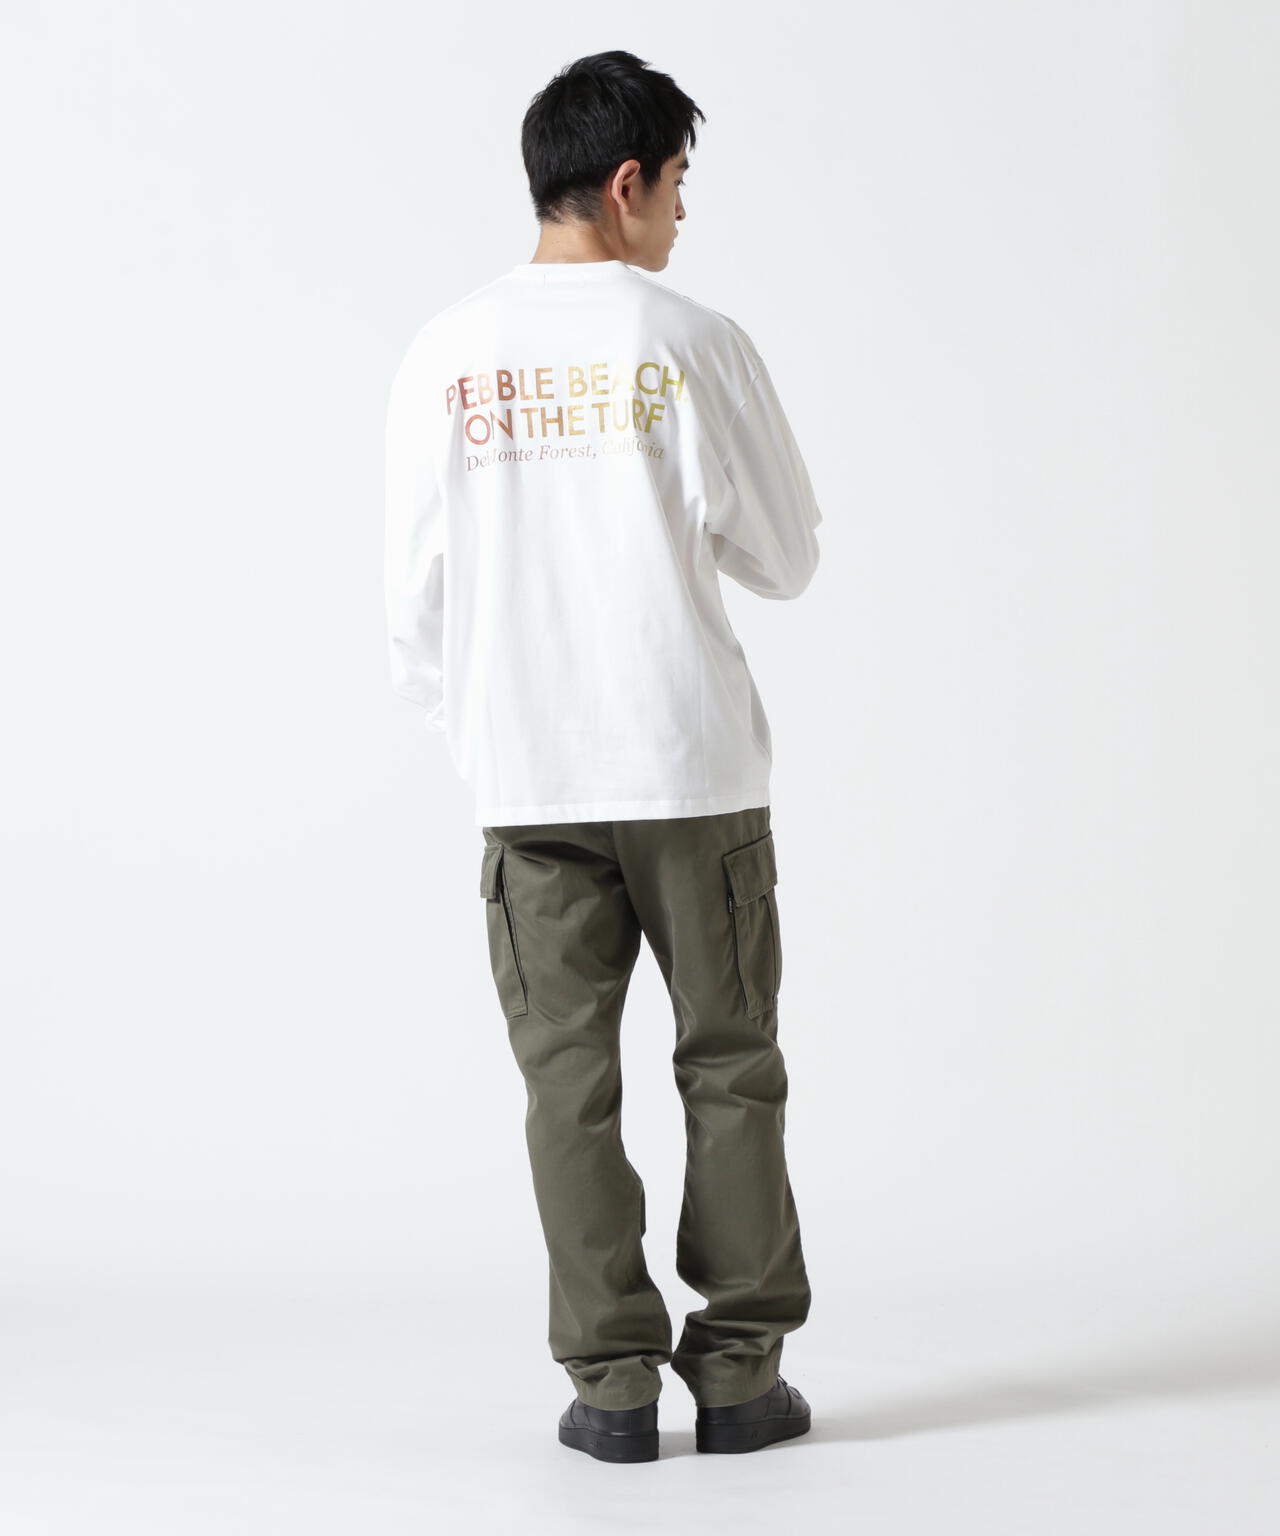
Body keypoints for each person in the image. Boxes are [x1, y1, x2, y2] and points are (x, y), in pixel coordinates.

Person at [384, 50, 821, 1463]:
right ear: (627, 183)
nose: (685, 212)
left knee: (566, 1082)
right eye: (680, 183)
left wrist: (486, 728)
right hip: (690, 765)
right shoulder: (693, 339)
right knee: (731, 1061)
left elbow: (413, 599)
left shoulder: (446, 352)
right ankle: (740, 1377)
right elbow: (786, 557)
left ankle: (613, 1391)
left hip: (531, 778)